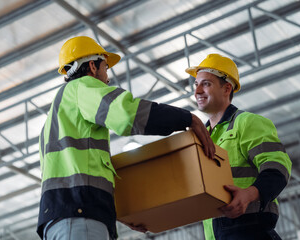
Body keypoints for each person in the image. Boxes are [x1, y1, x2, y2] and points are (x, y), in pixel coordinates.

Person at [36, 36, 215, 240]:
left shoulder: (54, 119)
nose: (107, 78)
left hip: (61, 220)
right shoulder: (82, 88)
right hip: (80, 216)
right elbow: (127, 114)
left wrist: (118, 213)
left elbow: (81, 173)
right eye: (105, 67)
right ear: (92, 66)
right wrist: (187, 118)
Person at [186, 53, 292, 240]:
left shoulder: (247, 122)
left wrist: (249, 195)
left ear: (227, 88)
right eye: (196, 84)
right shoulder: (199, 137)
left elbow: (278, 169)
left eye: (206, 84)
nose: (197, 91)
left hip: (250, 229)